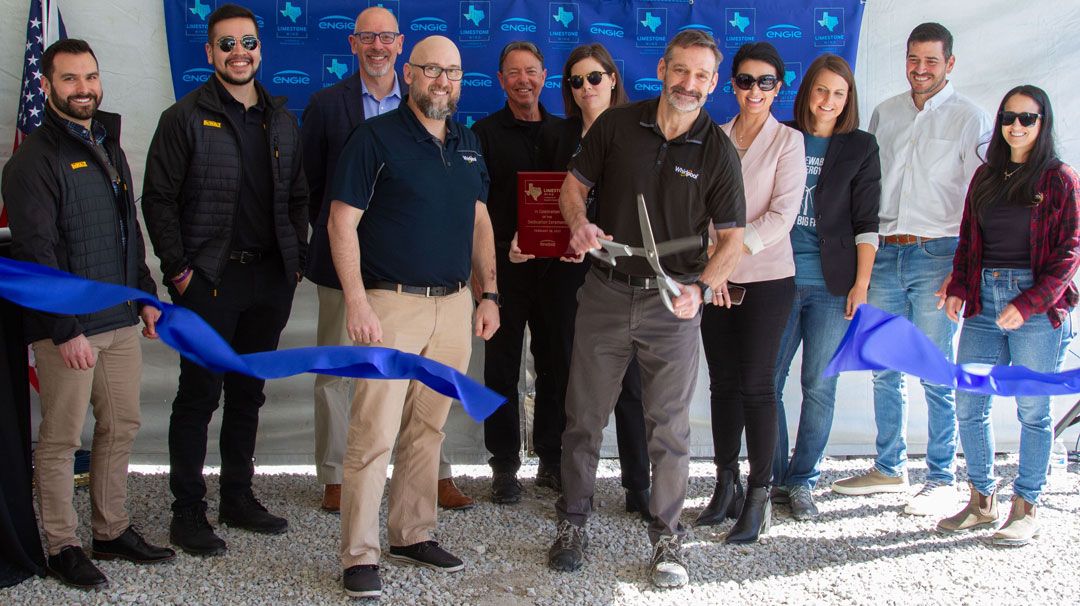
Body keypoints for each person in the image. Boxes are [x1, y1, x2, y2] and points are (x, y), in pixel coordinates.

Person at [547, 30, 745, 588]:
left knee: (670, 429)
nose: (690, 84)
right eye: (681, 71)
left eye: (702, 76)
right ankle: (573, 522)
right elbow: (571, 187)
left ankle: (668, 537)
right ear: (662, 68)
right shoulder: (615, 125)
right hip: (606, 292)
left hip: (673, 304)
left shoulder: (718, 150)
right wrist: (578, 222)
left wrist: (701, 289)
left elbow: (732, 238)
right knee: (583, 417)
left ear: (713, 82)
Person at [326, 36, 499, 599]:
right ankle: (359, 555)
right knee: (373, 432)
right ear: (409, 73)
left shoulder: (468, 143)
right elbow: (340, 223)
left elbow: (479, 222)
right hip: (390, 306)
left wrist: (489, 292)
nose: (441, 81)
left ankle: (412, 532)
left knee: (428, 428)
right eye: (430, 70)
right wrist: (356, 302)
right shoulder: (373, 139)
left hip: (453, 307)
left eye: (451, 71)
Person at [2, 38, 174, 589]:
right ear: (46, 85)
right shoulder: (33, 160)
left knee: (122, 425)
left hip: (119, 318)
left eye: (91, 77)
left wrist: (145, 295)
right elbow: (35, 253)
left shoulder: (107, 143)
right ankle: (62, 545)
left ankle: (110, 528)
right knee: (60, 439)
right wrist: (62, 329)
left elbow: (128, 233)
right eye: (71, 79)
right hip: (70, 331)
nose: (84, 89)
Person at [142, 3, 308, 555]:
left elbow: (299, 197)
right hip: (208, 283)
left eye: (249, 42)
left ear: (260, 49)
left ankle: (238, 496)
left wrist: (297, 258)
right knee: (197, 396)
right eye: (227, 44)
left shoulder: (282, 119)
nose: (240, 52)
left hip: (270, 281)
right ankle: (187, 511)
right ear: (209, 52)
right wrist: (179, 272)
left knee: (248, 393)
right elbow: (158, 200)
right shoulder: (183, 117)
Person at [299, 7, 475, 514]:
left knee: (427, 385)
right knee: (341, 371)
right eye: (367, 37)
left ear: (401, 49)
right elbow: (311, 187)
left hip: (419, 276)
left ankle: (432, 477)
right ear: (353, 44)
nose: (377, 45)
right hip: (347, 269)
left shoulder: (436, 110)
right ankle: (336, 476)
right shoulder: (327, 105)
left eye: (386, 37)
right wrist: (345, 247)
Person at [831, 23, 992, 518]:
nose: (920, 70)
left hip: (936, 255)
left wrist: (962, 268)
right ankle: (889, 466)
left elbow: (979, 199)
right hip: (883, 252)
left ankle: (941, 476)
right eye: (912, 59)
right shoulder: (886, 113)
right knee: (881, 366)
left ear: (950, 64)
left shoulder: (971, 118)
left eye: (931, 61)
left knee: (934, 369)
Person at [936, 86, 1078, 546]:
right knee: (969, 402)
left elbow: (1070, 252)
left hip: (1034, 305)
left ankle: (1026, 505)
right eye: (1009, 117)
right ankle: (981, 501)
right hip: (981, 300)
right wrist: (959, 288)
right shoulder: (986, 177)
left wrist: (1029, 302)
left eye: (1027, 118)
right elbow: (967, 241)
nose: (1016, 125)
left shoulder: (1060, 179)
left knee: (1033, 409)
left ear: (1043, 122)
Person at [535, 43, 653, 520]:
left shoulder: (639, 132)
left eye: (594, 78)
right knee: (572, 377)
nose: (586, 88)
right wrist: (537, 240)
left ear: (612, 79)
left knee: (631, 383)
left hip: (625, 272)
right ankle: (572, 484)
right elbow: (543, 202)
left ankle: (637, 486)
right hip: (567, 271)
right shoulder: (556, 135)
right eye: (576, 81)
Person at [696, 41, 805, 544]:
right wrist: (711, 269)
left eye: (765, 81)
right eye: (745, 80)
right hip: (715, 279)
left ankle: (759, 496)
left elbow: (782, 216)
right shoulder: (711, 137)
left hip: (766, 280)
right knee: (722, 384)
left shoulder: (789, 141)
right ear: (731, 84)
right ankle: (726, 484)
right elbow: (698, 211)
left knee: (759, 386)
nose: (754, 90)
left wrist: (727, 261)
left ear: (778, 87)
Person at [771, 53, 881, 520]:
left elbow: (867, 222)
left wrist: (861, 283)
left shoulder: (861, 147)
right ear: (807, 91)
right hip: (776, 279)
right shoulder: (782, 136)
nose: (829, 101)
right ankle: (769, 479)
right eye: (821, 90)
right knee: (765, 382)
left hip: (832, 286)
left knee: (819, 385)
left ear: (848, 98)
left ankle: (802, 481)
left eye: (839, 93)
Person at [471, 41, 566, 503]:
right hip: (504, 274)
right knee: (501, 370)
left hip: (559, 273)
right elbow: (476, 209)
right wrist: (497, 254)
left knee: (556, 366)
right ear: (501, 79)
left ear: (544, 76)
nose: (523, 79)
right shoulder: (483, 134)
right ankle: (504, 465)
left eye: (531, 71)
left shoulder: (566, 133)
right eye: (513, 72)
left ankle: (551, 458)